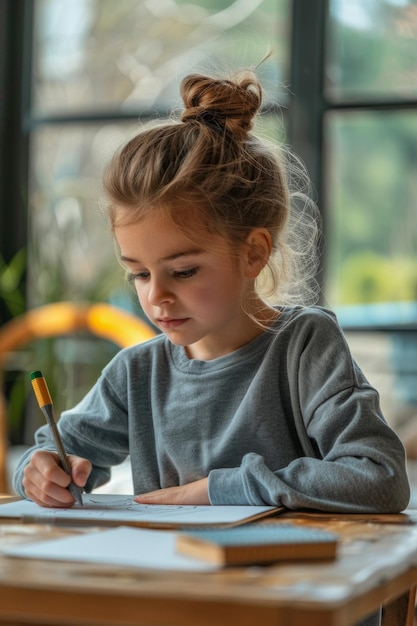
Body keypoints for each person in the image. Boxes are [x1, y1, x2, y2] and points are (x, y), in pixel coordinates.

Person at [13, 65, 410, 515]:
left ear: (253, 254)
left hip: (289, 580)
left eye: (182, 271)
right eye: (139, 274)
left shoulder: (304, 348)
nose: (155, 297)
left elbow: (380, 479)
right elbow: (51, 455)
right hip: (175, 579)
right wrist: (38, 471)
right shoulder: (136, 373)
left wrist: (219, 489)